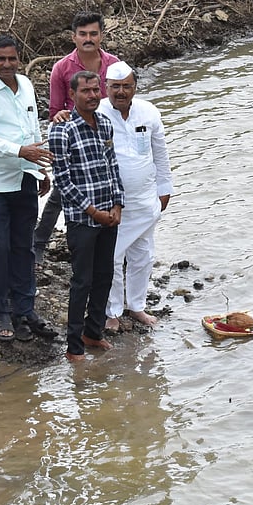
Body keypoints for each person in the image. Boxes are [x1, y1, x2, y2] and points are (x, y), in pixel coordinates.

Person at [0, 35, 55, 341]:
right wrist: (20, 152)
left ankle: (25, 308)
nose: (6, 64)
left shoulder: (27, 86)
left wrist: (38, 168)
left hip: (24, 178)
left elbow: (32, 130)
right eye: (0, 59)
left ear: (19, 59)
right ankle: (0, 312)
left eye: (11, 59)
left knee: (24, 246)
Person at [34, 12, 122, 265]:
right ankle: (39, 242)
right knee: (62, 190)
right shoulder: (62, 68)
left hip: (107, 134)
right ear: (73, 37)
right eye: (82, 34)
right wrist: (61, 115)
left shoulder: (113, 64)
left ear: (102, 36)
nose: (88, 39)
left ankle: (116, 241)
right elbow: (53, 112)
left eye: (93, 34)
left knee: (113, 187)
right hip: (74, 137)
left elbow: (123, 98)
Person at [49, 70, 124, 362]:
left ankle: (93, 333)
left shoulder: (105, 124)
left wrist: (117, 205)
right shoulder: (62, 129)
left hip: (109, 214)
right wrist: (93, 211)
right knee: (82, 280)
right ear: (73, 95)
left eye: (96, 90)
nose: (92, 95)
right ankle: (73, 346)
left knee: (105, 275)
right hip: (84, 219)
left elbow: (112, 166)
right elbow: (63, 180)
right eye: (86, 91)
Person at [97, 62, 173, 330]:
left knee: (143, 254)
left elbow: (160, 153)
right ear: (105, 87)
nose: (120, 92)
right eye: (115, 86)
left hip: (145, 199)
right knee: (113, 256)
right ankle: (112, 311)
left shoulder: (148, 112)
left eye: (126, 86)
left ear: (134, 87)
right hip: (111, 201)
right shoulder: (95, 112)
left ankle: (137, 306)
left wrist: (165, 188)